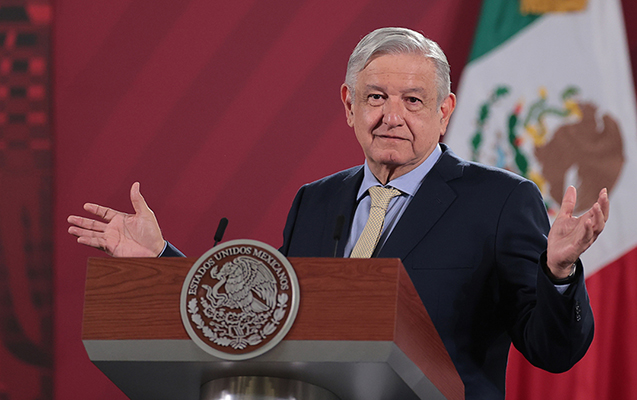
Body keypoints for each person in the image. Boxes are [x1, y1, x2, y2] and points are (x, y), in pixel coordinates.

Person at [68, 27, 609, 399]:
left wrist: (559, 272)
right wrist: (160, 260)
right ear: (349, 105)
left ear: (444, 112)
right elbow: (265, 319)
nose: (391, 116)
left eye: (413, 100)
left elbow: (553, 350)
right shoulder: (316, 200)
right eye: (375, 98)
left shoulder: (500, 200)